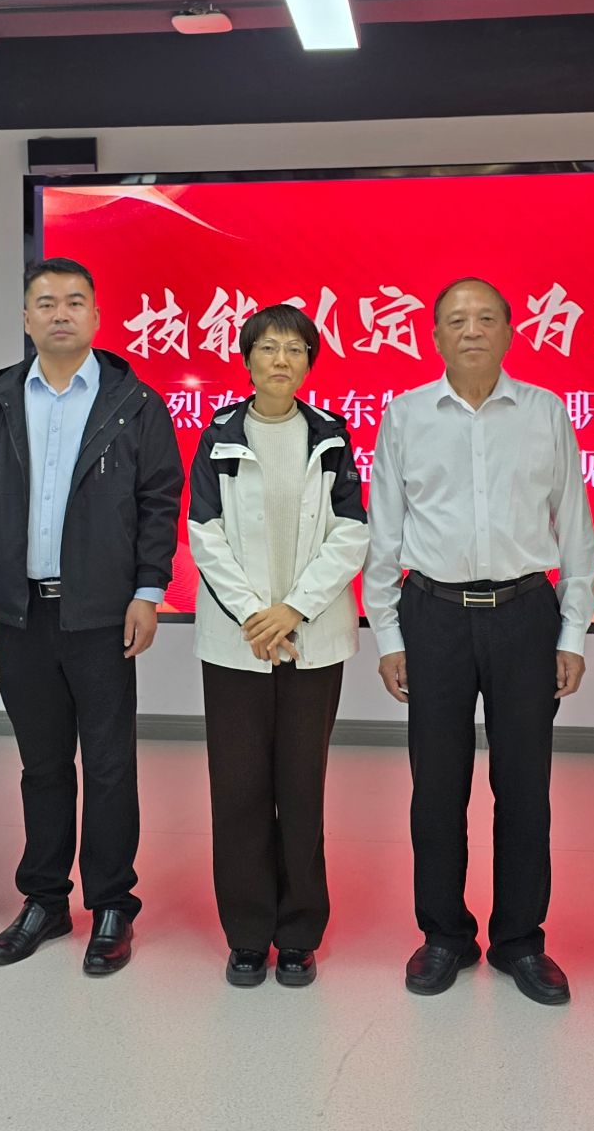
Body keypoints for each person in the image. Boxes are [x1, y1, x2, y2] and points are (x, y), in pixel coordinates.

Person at [363, 277, 594, 1006]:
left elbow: (575, 527)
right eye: (457, 320)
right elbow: (384, 531)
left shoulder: (545, 411)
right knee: (437, 786)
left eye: (486, 318)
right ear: (434, 335)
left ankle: (521, 939)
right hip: (431, 614)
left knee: (524, 785)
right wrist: (387, 635)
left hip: (526, 613)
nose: (472, 330)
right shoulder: (405, 415)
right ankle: (444, 935)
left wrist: (573, 631)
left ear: (509, 332)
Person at [0, 257, 182, 977]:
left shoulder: (134, 402)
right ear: (26, 319)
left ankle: (112, 903)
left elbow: (159, 501)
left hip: (102, 614)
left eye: (75, 301)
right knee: (42, 765)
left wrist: (148, 591)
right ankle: (45, 900)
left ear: (96, 317)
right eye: (46, 302)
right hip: (20, 614)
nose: (60, 313)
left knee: (110, 765)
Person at [188, 303, 370, 989]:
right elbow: (204, 534)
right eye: (268, 348)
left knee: (301, 788)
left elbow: (351, 531)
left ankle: (297, 934)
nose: (281, 360)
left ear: (309, 362)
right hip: (236, 643)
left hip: (312, 638)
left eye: (295, 349)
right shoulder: (217, 436)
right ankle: (246, 934)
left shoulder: (330, 434)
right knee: (237, 790)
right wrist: (254, 615)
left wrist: (292, 609)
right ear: (247, 359)